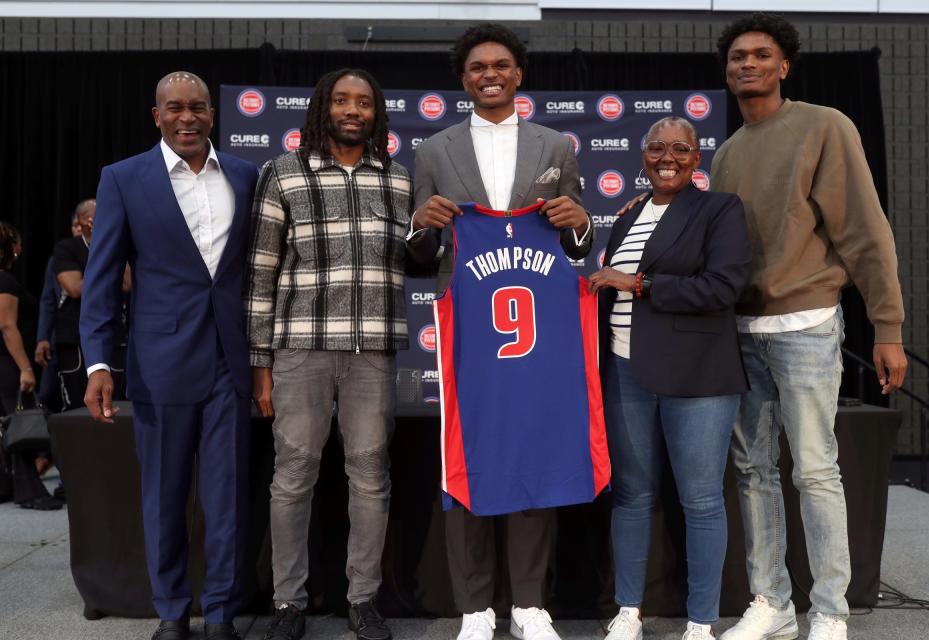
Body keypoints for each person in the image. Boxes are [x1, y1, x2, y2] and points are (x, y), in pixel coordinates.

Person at [709, 14, 907, 640]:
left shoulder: (824, 125)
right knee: (753, 470)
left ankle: (828, 611)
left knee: (815, 470)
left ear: (784, 65)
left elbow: (865, 233)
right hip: (741, 332)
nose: (748, 64)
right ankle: (770, 602)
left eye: (761, 54)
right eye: (738, 56)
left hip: (807, 325)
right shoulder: (727, 153)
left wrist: (888, 326)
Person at [406, 23, 593, 640]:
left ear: (519, 73)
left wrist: (581, 224)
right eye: (478, 66)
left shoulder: (555, 147)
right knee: (465, 458)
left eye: (502, 65)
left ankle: (530, 605)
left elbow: (573, 244)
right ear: (464, 78)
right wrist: (422, 226)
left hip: (534, 338)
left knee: (533, 456)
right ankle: (476, 606)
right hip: (468, 338)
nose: (490, 74)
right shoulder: (433, 151)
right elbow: (418, 253)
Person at [80, 71, 259, 640]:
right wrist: (99, 362)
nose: (188, 118)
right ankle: (173, 612)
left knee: (227, 497)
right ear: (156, 115)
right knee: (163, 496)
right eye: (175, 108)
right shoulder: (124, 179)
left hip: (231, 358)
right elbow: (103, 277)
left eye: (199, 108)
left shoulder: (246, 175)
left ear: (212, 114)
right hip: (160, 362)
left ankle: (224, 614)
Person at [246, 68, 410, 640]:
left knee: (370, 477)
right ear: (323, 107)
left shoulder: (398, 180)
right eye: (341, 100)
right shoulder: (282, 175)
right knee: (293, 477)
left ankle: (362, 599)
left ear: (376, 114)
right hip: (300, 350)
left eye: (364, 102)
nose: (352, 110)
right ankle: (288, 603)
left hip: (372, 354)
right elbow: (261, 274)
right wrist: (260, 363)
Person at [589, 117, 751, 640]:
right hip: (625, 371)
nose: (668, 156)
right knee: (631, 495)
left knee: (701, 500)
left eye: (681, 148)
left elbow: (722, 288)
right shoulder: (629, 215)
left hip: (698, 375)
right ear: (643, 155)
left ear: (696, 158)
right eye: (657, 147)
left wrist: (638, 282)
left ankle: (701, 621)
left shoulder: (719, 209)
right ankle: (628, 611)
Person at [0, 223, 61, 510]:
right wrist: (25, 367)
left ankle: (8, 485)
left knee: (8, 424)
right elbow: (7, 327)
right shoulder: (5, 282)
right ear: (10, 247)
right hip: (6, 363)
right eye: (18, 243)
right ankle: (29, 492)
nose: (21, 248)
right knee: (20, 423)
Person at [51, 198, 95, 410]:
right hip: (75, 336)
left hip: (114, 334)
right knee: (78, 405)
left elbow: (127, 283)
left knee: (116, 404)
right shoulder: (67, 248)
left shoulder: (117, 244)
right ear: (86, 221)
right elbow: (76, 289)